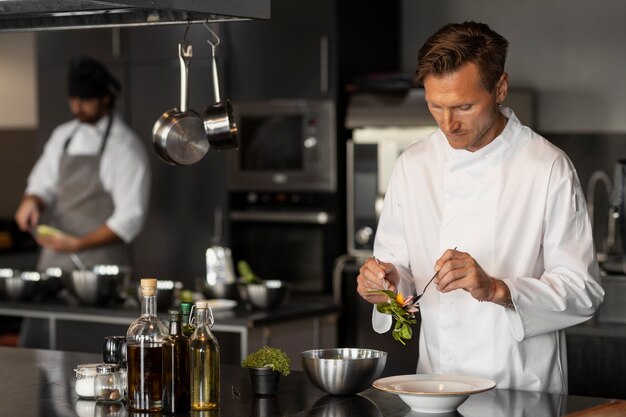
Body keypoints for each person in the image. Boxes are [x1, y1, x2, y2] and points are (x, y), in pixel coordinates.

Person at [356, 21, 604, 394]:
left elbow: (583, 291)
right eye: (435, 107)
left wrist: (497, 289)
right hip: (435, 386)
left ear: (500, 88)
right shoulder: (414, 163)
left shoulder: (546, 166)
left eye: (464, 107)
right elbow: (399, 270)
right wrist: (385, 284)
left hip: (520, 387)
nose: (448, 124)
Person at [14, 56, 150, 271]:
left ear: (105, 98)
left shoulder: (125, 147)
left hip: (100, 266)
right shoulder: (63, 135)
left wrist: (78, 244)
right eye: (73, 98)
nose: (77, 106)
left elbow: (131, 217)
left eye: (85, 100)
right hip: (54, 259)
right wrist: (32, 201)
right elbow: (42, 184)